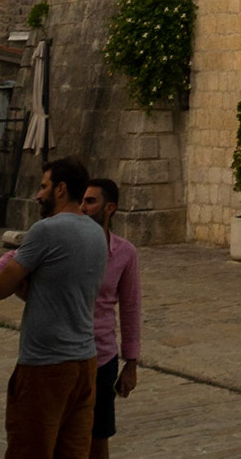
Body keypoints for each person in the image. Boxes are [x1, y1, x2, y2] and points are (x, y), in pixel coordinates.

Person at [0, 154, 107, 459]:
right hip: (84, 361)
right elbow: (59, 291)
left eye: (43, 186)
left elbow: (3, 287)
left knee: (28, 449)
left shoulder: (46, 230)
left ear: (60, 189)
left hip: (46, 364)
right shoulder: (97, 234)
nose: (38, 194)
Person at [79, 179, 141, 456]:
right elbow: (15, 257)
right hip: (66, 355)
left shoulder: (125, 253)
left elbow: (130, 308)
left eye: (91, 201)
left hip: (102, 357)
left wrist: (131, 364)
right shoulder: (67, 243)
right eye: (82, 200)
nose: (83, 207)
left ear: (109, 208)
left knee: (98, 436)